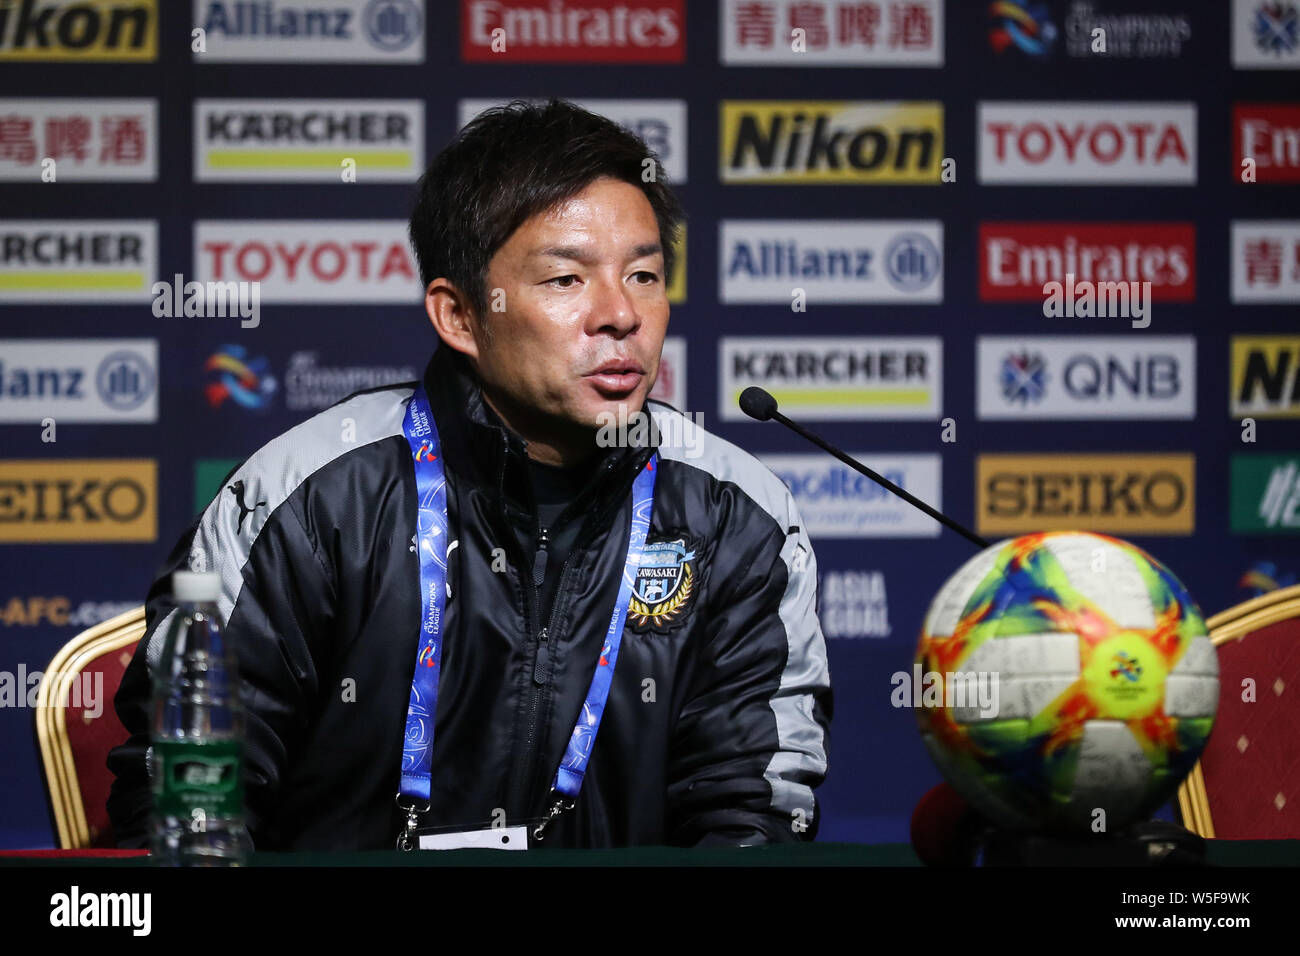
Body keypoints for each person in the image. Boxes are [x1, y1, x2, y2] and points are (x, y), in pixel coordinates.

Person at [107, 98, 833, 851]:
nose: (622, 314)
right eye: (566, 280)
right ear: (459, 316)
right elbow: (188, 801)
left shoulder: (733, 514)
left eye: (645, 275)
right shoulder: (309, 498)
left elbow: (755, 819)